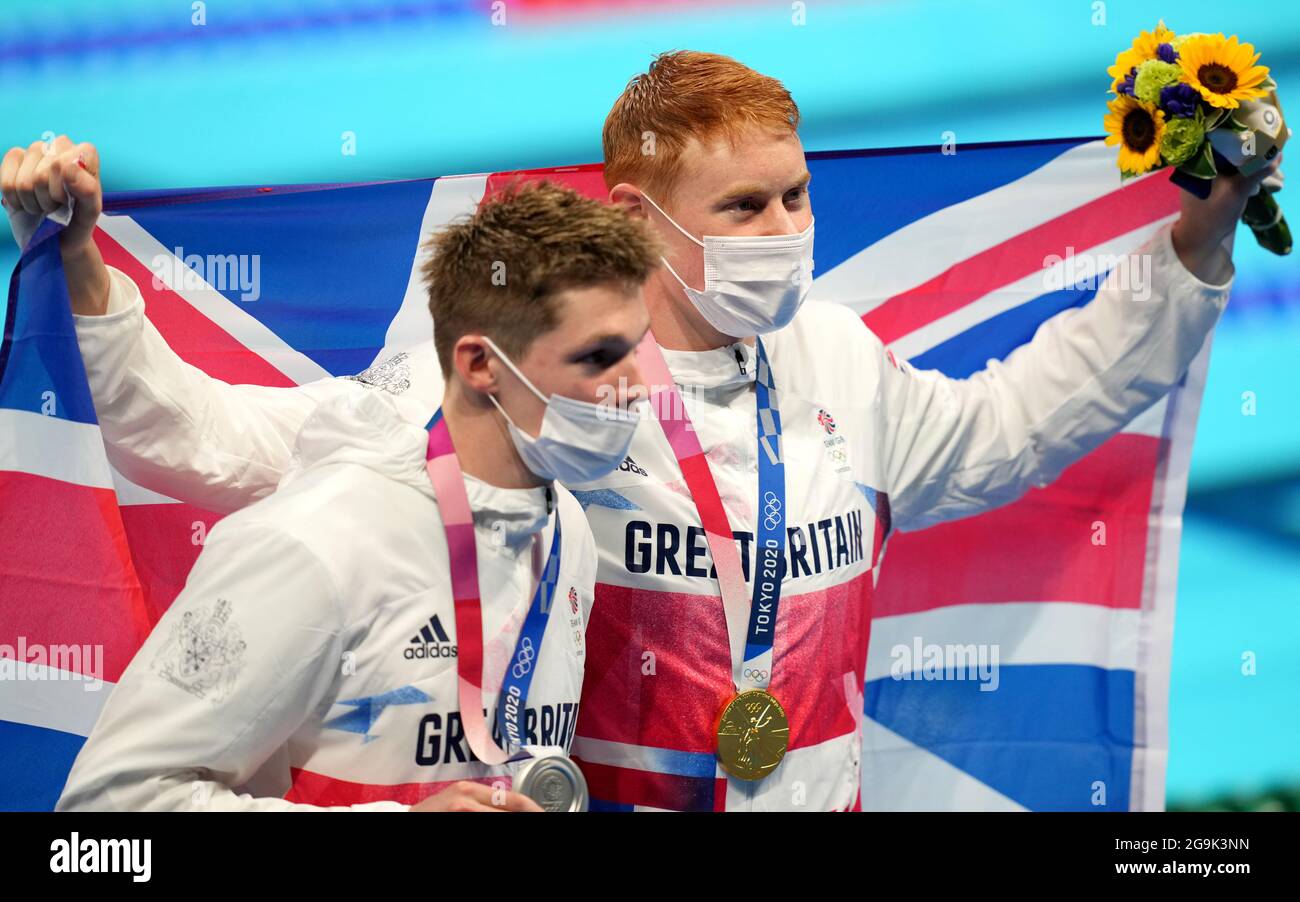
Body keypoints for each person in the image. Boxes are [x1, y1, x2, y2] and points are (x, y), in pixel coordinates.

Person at [5, 50, 1280, 811]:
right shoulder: (521, 378)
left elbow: (1014, 425)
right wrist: (84, 281)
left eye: (796, 194)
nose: (785, 228)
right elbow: (217, 445)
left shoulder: (831, 353)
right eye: (743, 203)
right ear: (638, 212)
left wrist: (1195, 241)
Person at [52, 182, 658, 811]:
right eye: (599, 357)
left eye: (636, 349)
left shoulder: (568, 531)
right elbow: (107, 808)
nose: (637, 388)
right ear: (480, 364)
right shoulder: (313, 541)